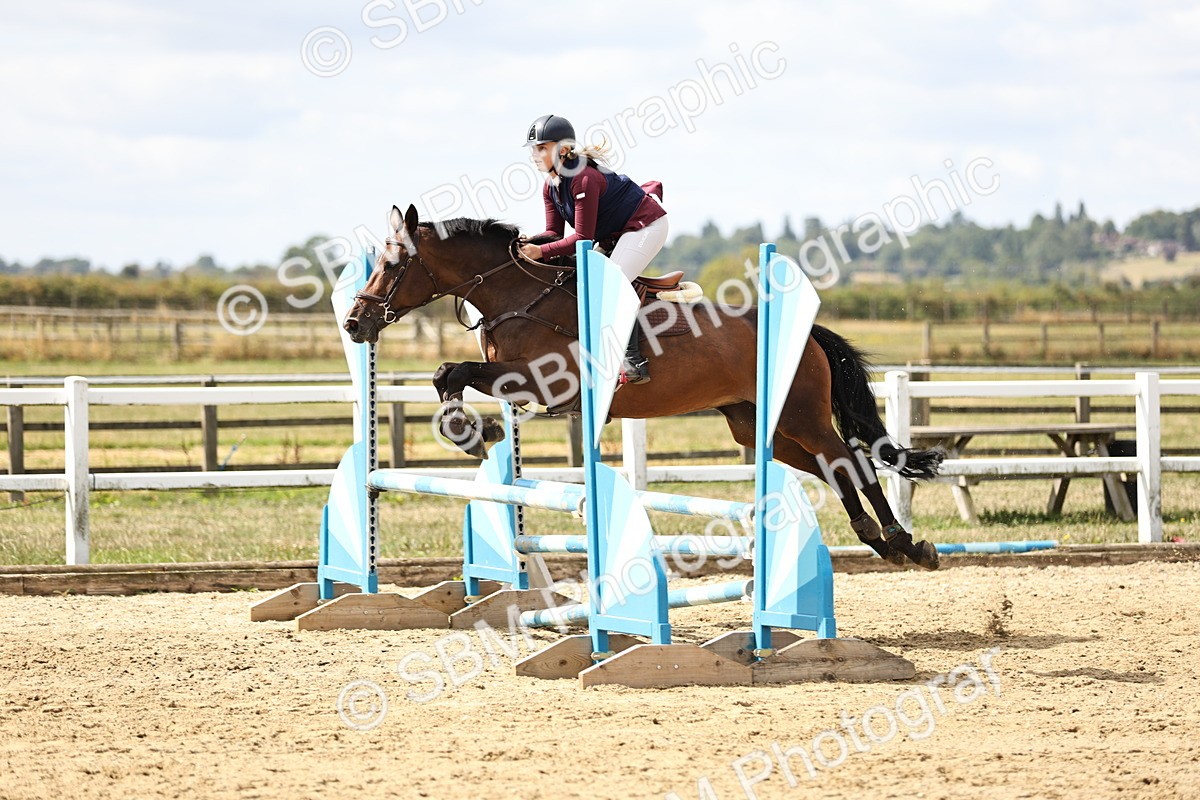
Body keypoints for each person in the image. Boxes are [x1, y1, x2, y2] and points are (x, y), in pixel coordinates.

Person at [519, 114, 668, 384]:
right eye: (534, 149)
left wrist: (540, 252)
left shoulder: (583, 178)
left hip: (645, 227)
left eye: (542, 148)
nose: (535, 155)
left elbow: (582, 238)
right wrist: (530, 243)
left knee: (612, 283)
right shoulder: (549, 187)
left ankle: (634, 360)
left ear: (563, 149)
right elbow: (554, 234)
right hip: (616, 236)